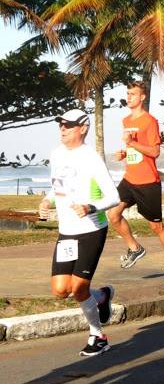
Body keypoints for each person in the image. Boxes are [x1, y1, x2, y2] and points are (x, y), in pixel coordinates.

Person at [39, 110, 120, 356]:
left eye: (69, 125)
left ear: (82, 128)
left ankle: (98, 335)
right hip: (67, 231)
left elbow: (113, 197)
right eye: (61, 125)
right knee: (60, 290)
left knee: (78, 289)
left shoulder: (91, 158)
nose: (63, 129)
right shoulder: (56, 154)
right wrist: (47, 199)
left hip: (91, 229)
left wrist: (90, 207)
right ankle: (102, 296)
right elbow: (58, 185)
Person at [107, 82, 164, 280]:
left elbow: (154, 151)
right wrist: (125, 152)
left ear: (142, 98)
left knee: (156, 227)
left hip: (148, 182)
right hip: (129, 179)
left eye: (133, 94)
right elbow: (135, 150)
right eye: (127, 94)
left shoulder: (150, 121)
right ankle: (135, 247)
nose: (129, 97)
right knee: (113, 214)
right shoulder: (126, 120)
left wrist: (132, 143)